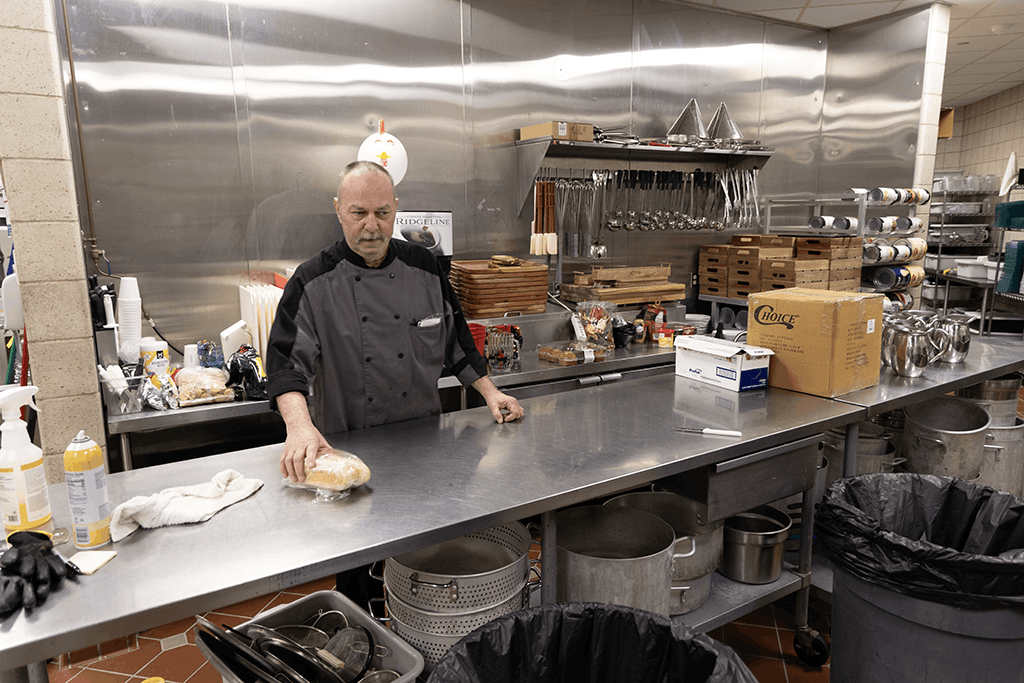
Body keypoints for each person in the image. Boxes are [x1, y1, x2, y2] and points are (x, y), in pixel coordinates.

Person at [266, 159, 524, 482]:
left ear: (396, 209)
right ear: (338, 210)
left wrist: (491, 393)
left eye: (382, 213)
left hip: (427, 448)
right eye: (359, 213)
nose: (372, 226)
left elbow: (456, 343)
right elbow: (285, 368)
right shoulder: (311, 282)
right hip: (346, 454)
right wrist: (300, 427)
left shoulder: (425, 267)